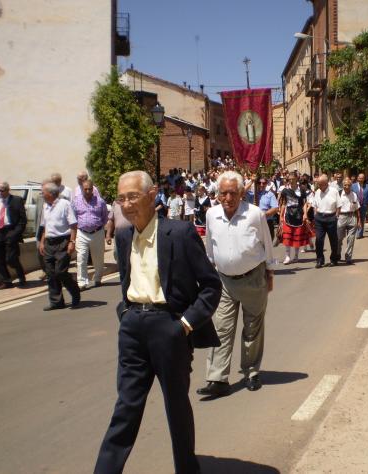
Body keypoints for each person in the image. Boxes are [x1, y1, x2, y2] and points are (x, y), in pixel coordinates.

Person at [94, 171, 221, 474]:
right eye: (121, 198)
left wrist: (185, 325)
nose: (126, 204)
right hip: (133, 329)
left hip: (170, 328)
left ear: (152, 196)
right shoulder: (124, 237)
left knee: (176, 406)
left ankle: (187, 469)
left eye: (133, 197)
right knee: (126, 407)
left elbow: (211, 285)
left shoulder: (179, 233)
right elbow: (126, 281)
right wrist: (125, 313)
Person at [197, 171, 274, 397]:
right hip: (224, 281)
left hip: (253, 279)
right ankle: (217, 379)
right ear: (217, 194)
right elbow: (210, 248)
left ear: (241, 193)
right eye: (223, 193)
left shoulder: (255, 214)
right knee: (221, 328)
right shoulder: (211, 215)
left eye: (233, 193)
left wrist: (270, 273)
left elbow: (267, 244)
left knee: (252, 328)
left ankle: (251, 372)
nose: (228, 198)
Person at [38, 182, 81, 310]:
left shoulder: (65, 204)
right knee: (50, 273)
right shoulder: (45, 206)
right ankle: (56, 301)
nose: (41, 194)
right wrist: (42, 242)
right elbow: (45, 226)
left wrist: (72, 242)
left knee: (60, 271)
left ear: (50, 193)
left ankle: (75, 291)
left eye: (43, 192)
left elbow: (73, 225)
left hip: (63, 241)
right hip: (49, 242)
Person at [0, 181, 27, 289]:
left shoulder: (17, 200)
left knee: (11, 258)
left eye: (2, 190)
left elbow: (22, 220)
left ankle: (21, 276)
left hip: (11, 231)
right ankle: (7, 281)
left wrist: (15, 233)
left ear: (8, 190)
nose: (0, 193)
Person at [72, 179, 108, 290]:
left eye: (89, 189)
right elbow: (73, 218)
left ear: (93, 189)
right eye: (85, 189)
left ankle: (97, 278)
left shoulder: (100, 202)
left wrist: (99, 228)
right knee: (81, 258)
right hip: (82, 233)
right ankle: (82, 282)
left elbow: (105, 217)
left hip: (97, 233)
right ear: (82, 189)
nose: (87, 191)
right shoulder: (76, 201)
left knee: (98, 258)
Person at [279, 172, 309, 264]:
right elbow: (283, 203)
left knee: (297, 236)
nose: (291, 180)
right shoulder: (285, 190)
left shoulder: (302, 189)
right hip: (288, 215)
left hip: (299, 215)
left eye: (293, 179)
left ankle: (296, 256)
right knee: (287, 236)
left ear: (297, 179)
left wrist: (305, 214)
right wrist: (281, 215)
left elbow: (304, 203)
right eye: (289, 179)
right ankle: (287, 256)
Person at [312, 174, 341, 269]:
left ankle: (333, 259)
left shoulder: (334, 191)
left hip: (331, 217)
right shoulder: (317, 192)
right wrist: (315, 214)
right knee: (319, 240)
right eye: (318, 184)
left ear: (326, 183)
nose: (319, 186)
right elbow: (314, 205)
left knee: (333, 240)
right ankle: (320, 260)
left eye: (320, 184)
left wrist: (336, 216)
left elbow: (339, 205)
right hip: (319, 218)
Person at [337, 178, 361, 264]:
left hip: (352, 216)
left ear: (351, 186)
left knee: (351, 239)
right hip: (341, 217)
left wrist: (359, 221)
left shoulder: (354, 194)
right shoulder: (339, 194)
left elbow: (357, 208)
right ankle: (337, 254)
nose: (347, 187)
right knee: (339, 238)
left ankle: (348, 257)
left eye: (349, 185)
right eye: (345, 185)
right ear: (343, 185)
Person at [352, 173, 368, 239]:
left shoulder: (367, 186)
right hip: (355, 205)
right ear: (357, 178)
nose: (361, 179)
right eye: (359, 178)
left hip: (363, 205)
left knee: (362, 219)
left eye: (362, 178)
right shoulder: (353, 186)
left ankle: (360, 234)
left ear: (364, 179)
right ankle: (355, 232)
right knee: (355, 219)